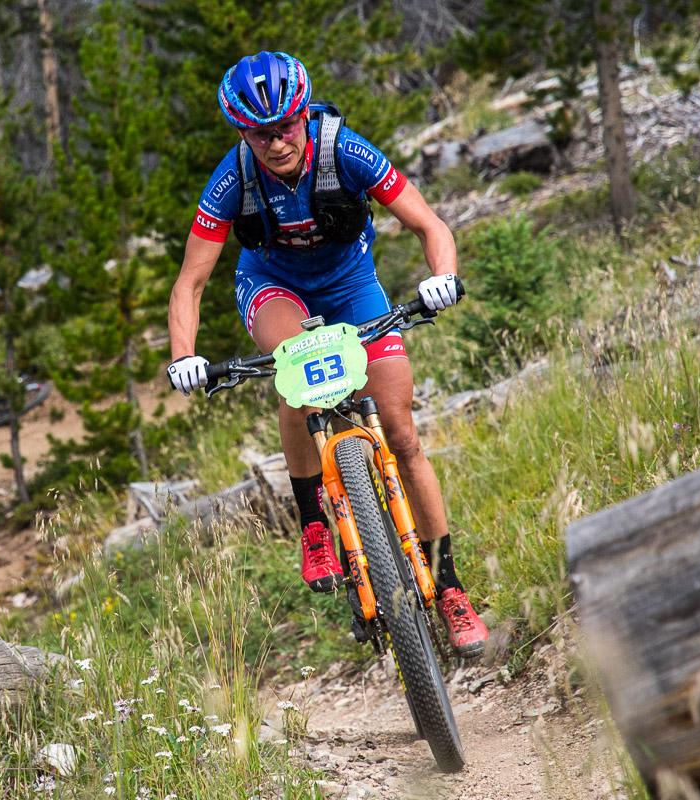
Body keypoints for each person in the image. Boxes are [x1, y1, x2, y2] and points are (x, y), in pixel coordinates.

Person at [166, 51, 488, 657]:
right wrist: (184, 354)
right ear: (243, 132)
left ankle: (449, 587)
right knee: (296, 367)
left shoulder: (347, 150)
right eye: (262, 133)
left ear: (303, 116)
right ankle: (315, 524)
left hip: (351, 286)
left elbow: (429, 224)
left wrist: (441, 275)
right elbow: (190, 283)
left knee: (401, 431)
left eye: (287, 124)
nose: (278, 141)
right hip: (273, 287)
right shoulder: (231, 180)